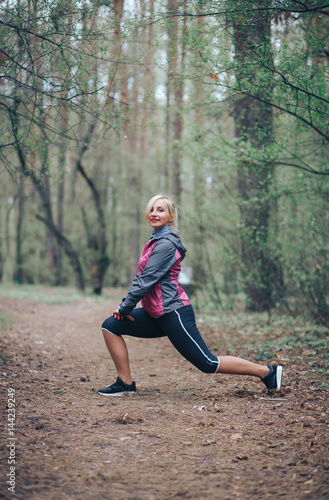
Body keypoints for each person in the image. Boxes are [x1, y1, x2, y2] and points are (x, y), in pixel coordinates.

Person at [98, 194, 283, 396]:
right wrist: (125, 306)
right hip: (155, 314)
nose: (154, 213)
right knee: (110, 326)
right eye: (151, 209)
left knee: (207, 362)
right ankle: (125, 383)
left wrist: (125, 307)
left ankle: (267, 372)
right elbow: (142, 277)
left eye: (160, 210)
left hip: (174, 313)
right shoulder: (155, 241)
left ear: (171, 217)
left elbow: (145, 280)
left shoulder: (166, 244)